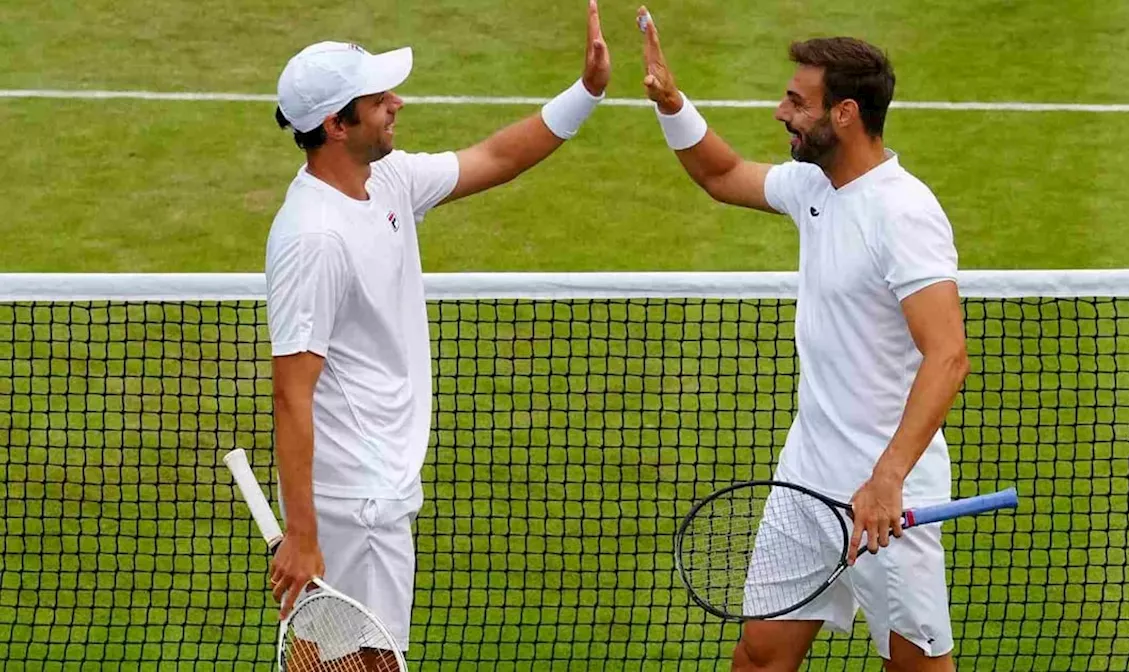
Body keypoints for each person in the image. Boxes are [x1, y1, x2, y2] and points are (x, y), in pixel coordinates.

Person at [262, 2, 612, 666]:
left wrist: (587, 93)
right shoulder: (314, 238)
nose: (397, 102)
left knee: (343, 659)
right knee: (375, 663)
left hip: (370, 486)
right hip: (357, 500)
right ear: (336, 126)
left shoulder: (384, 178)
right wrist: (304, 533)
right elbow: (291, 394)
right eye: (377, 99)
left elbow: (494, 157)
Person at [635, 7, 970, 672]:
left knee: (916, 667)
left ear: (844, 113)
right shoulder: (814, 186)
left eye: (796, 100)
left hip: (888, 497)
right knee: (759, 658)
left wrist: (887, 478)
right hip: (806, 480)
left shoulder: (903, 213)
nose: (779, 111)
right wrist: (673, 103)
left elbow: (948, 354)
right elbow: (722, 174)